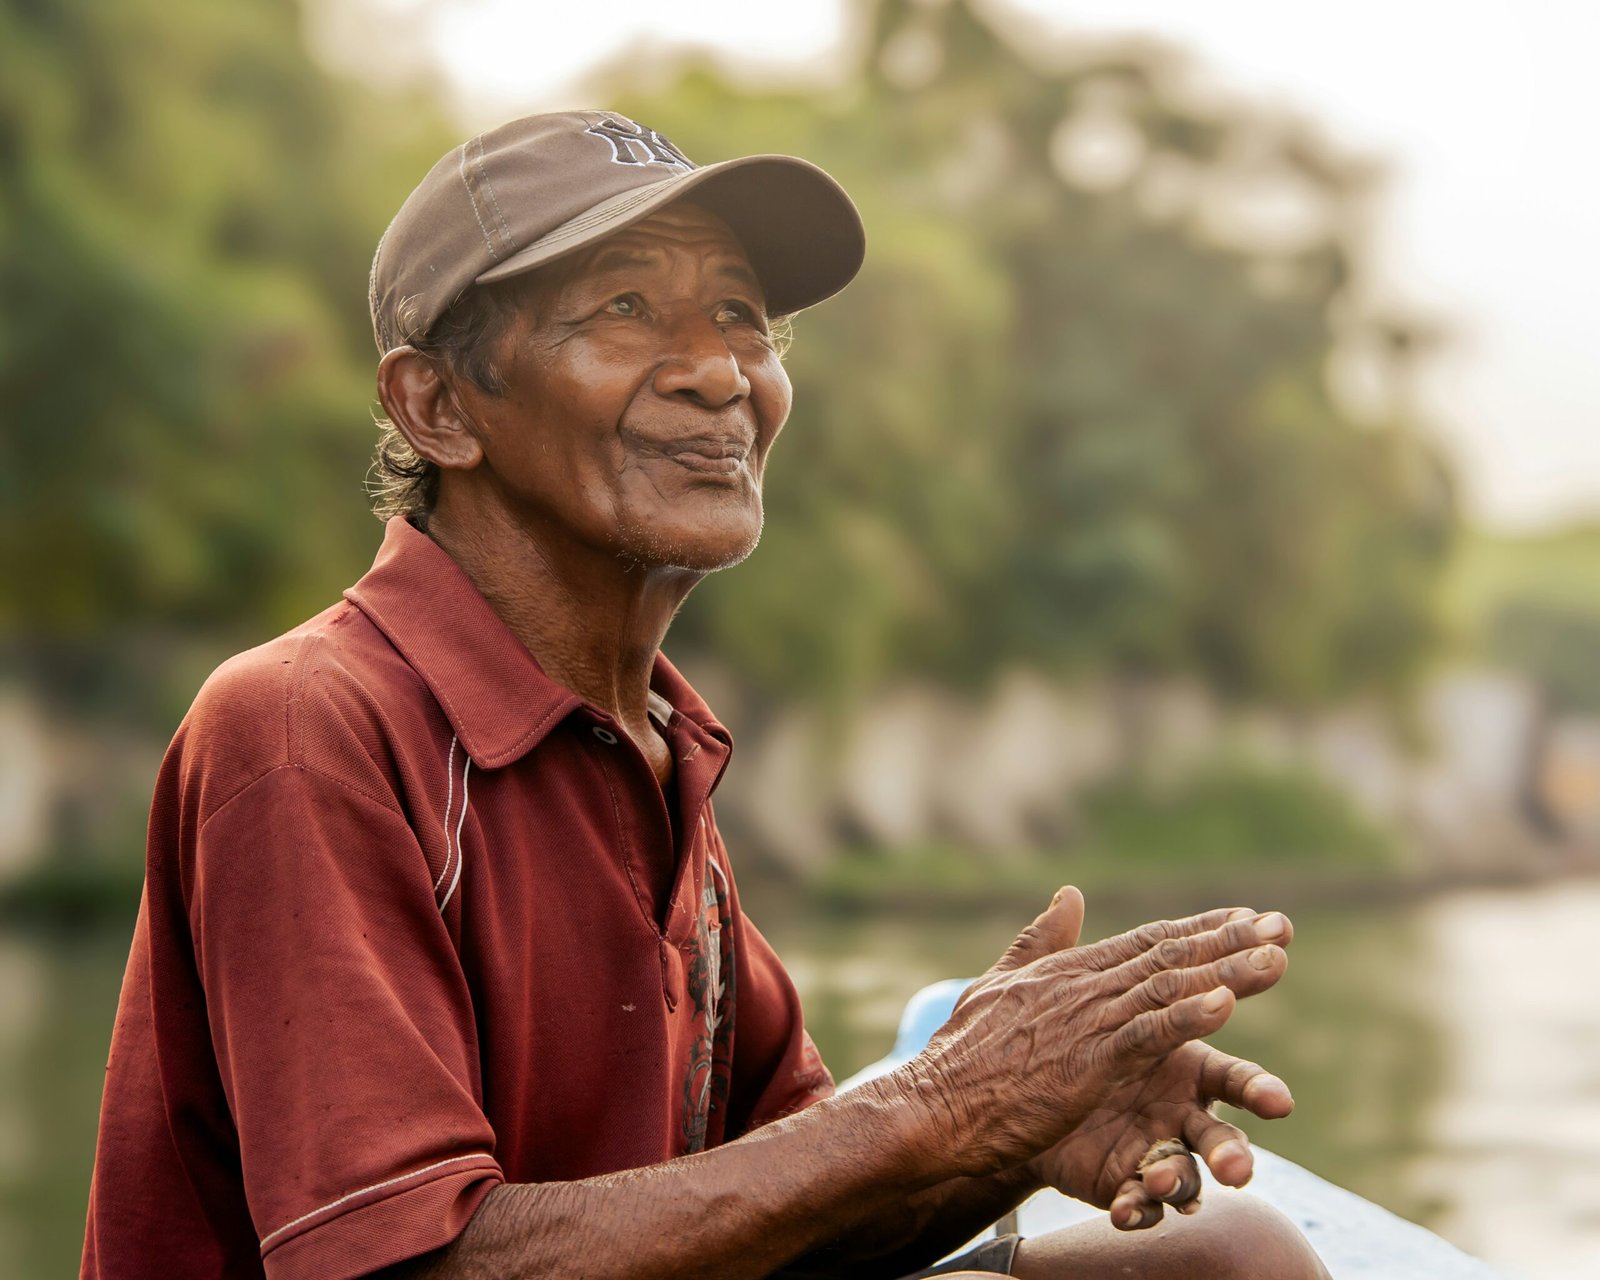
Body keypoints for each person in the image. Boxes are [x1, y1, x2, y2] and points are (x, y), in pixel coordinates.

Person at [82, 111, 1328, 1280]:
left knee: (1232, 1258)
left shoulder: (657, 739)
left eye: (740, 316)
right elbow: (414, 1264)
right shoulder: (307, 724)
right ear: (439, 406)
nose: (722, 374)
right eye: (626, 308)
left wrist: (1009, 1125)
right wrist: (949, 1099)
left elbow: (797, 1201)